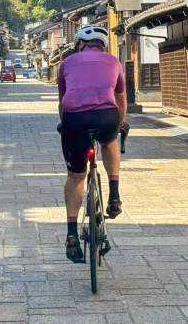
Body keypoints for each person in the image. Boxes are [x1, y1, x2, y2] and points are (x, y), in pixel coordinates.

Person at [57, 25, 126, 263]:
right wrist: (120, 124)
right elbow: (121, 100)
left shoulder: (66, 64)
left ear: (79, 45)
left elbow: (63, 102)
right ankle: (114, 194)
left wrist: (64, 124)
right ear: (103, 46)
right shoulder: (114, 62)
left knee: (75, 176)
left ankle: (71, 234)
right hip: (107, 117)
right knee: (109, 141)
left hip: (74, 119)